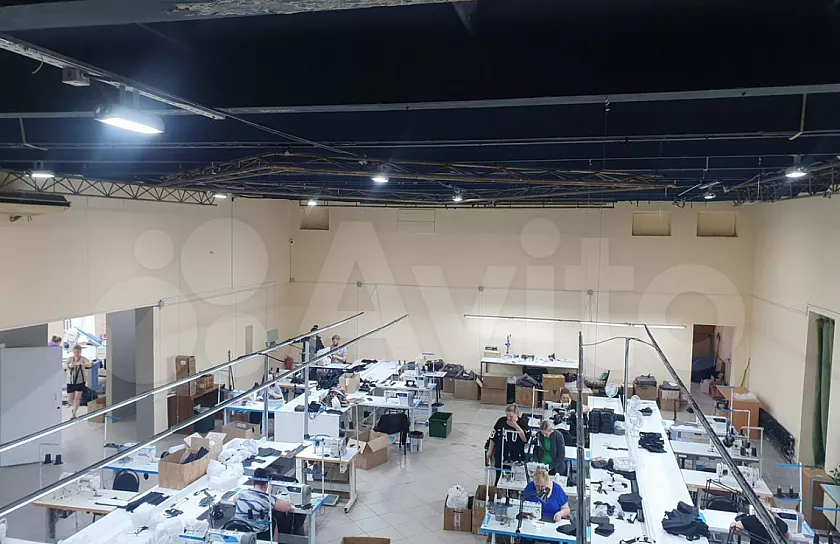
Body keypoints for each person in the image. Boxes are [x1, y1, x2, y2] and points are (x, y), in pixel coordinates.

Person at [234, 468, 296, 540]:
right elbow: (287, 507)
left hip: (239, 531)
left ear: (253, 483)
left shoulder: (242, 493)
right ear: (266, 485)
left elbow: (234, 500)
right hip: (258, 534)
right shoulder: (267, 498)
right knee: (273, 521)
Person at [486, 404, 530, 485]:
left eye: (511, 416)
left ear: (517, 414)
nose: (508, 418)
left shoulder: (523, 424)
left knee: (514, 477)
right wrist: (490, 451)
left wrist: (516, 426)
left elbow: (525, 439)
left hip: (516, 454)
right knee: (499, 476)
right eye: (507, 416)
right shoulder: (501, 421)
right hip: (501, 453)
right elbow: (493, 437)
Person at [65, 345, 92, 418]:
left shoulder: (83, 359)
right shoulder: (70, 359)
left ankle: (74, 414)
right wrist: (70, 365)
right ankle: (74, 407)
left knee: (77, 398)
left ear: (80, 352)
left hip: (80, 381)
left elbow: (89, 364)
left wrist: (82, 364)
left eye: (78, 352)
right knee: (70, 400)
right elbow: (64, 366)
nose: (76, 353)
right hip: (70, 381)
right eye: (75, 352)